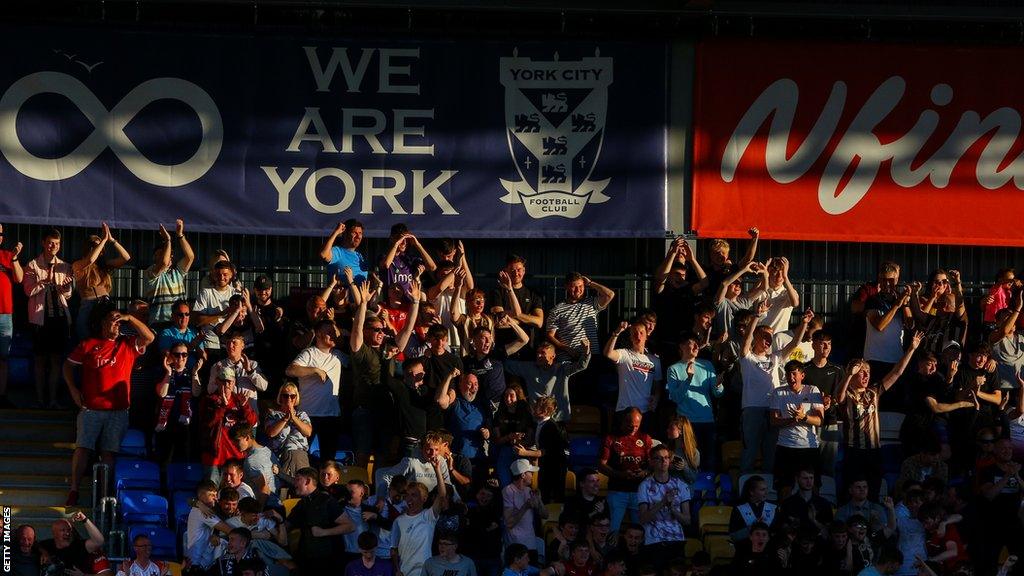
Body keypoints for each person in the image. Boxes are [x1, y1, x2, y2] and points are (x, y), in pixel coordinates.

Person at [62, 308, 155, 505]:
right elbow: (68, 365)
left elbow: (149, 337)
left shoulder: (127, 345)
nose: (117, 324)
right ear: (103, 324)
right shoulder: (89, 344)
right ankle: (74, 489)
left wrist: (130, 318)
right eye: (113, 321)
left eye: (119, 322)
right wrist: (72, 389)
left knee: (108, 453)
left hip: (118, 411)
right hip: (91, 409)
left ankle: (102, 495)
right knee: (82, 448)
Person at [835, 332, 923, 498]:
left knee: (873, 491)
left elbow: (896, 373)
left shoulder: (873, 392)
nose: (866, 375)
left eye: (868, 371)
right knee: (850, 491)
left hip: (873, 451)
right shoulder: (848, 395)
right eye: (861, 372)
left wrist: (911, 349)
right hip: (854, 451)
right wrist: (848, 374)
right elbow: (838, 397)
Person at [349, 280, 420, 466]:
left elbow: (406, 331)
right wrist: (363, 304)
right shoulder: (361, 349)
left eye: (382, 329)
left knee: (384, 456)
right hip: (364, 409)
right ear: (366, 331)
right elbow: (356, 330)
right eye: (377, 330)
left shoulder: (389, 347)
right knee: (362, 456)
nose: (382, 332)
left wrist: (415, 303)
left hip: (386, 410)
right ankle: (360, 493)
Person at [738, 308, 814, 474]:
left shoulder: (775, 357)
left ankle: (767, 490)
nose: (768, 340)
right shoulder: (747, 358)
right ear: (755, 337)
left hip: (774, 410)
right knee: (750, 450)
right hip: (753, 409)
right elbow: (745, 341)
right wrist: (756, 317)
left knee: (771, 452)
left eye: (770, 338)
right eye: (764, 336)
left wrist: (804, 323)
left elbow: (794, 343)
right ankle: (744, 488)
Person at [23, 228, 72, 409]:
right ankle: (39, 400)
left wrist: (64, 288)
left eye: (57, 244)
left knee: (57, 360)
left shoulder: (65, 266)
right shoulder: (33, 265)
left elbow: (68, 296)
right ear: (43, 243)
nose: (54, 246)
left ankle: (52, 400)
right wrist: (45, 281)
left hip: (59, 318)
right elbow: (28, 291)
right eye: (51, 243)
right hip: (40, 319)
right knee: (40, 360)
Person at [286, 320, 345, 464]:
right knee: (303, 458)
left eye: (334, 332)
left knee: (329, 459)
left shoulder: (339, 355)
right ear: (318, 334)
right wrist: (314, 370)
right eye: (329, 332)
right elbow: (290, 370)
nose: (333, 335)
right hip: (308, 414)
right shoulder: (309, 353)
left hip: (331, 416)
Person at [666, 333, 723, 469]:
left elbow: (718, 394)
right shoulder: (673, 369)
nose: (697, 346)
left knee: (708, 460)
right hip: (686, 423)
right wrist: (688, 379)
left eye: (698, 344)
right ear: (682, 346)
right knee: (688, 460)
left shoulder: (706, 365)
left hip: (707, 419)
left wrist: (718, 385)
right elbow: (675, 397)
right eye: (692, 343)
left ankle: (706, 489)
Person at [770, 360, 825, 496]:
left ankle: (813, 515)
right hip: (785, 446)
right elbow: (774, 421)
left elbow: (820, 421)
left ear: (802, 375)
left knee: (812, 487)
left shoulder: (813, 390)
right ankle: (784, 515)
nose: (791, 378)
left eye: (794, 374)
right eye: (788, 374)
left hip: (809, 447)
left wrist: (804, 417)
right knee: (784, 488)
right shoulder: (778, 392)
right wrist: (792, 419)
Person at [287, 467, 356, 573]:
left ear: (308, 481)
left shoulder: (326, 500)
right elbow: (288, 524)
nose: (294, 483)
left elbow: (350, 526)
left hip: (328, 560)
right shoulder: (301, 504)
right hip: (306, 559)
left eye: (298, 479)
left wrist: (324, 532)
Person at [599, 408, 655, 532]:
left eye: (637, 425)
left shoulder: (645, 438)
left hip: (639, 492)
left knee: (639, 530)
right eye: (630, 425)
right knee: (612, 529)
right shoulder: (611, 438)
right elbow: (601, 465)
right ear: (623, 421)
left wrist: (644, 472)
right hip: (617, 491)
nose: (634, 429)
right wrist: (620, 474)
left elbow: (653, 464)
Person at [72, 222, 131, 339]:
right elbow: (90, 260)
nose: (100, 250)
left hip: (105, 303)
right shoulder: (78, 264)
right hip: (88, 304)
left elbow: (126, 257)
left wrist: (111, 240)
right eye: (95, 246)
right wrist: (103, 240)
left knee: (107, 337)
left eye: (101, 248)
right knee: (86, 337)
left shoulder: (104, 265)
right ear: (88, 248)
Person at [637, 444, 691, 571]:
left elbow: (687, 520)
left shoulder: (681, 485)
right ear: (652, 462)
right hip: (654, 541)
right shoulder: (644, 486)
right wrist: (663, 502)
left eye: (666, 458)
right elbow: (643, 519)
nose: (664, 461)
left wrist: (672, 509)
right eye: (659, 458)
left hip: (676, 539)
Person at [199, 366, 258, 481]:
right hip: (214, 457)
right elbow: (207, 424)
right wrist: (222, 407)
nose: (226, 385)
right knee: (212, 493)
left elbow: (252, 422)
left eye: (229, 382)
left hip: (235, 457)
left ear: (234, 383)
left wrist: (245, 407)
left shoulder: (239, 400)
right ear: (217, 381)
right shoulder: (208, 400)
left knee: (234, 493)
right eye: (223, 381)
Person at [975, 438, 1023, 575]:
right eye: (1003, 448)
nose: (1007, 451)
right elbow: (989, 494)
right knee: (989, 562)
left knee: (1019, 561)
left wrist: (1017, 476)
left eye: (1010, 448)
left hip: (1014, 523)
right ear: (995, 450)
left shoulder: (1019, 468)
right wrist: (1007, 476)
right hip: (991, 524)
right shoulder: (987, 471)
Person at [392, 465, 450, 576]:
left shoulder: (428, 516)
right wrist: (397, 569)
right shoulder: (398, 521)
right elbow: (393, 549)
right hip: (405, 573)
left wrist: (437, 468)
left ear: (424, 498)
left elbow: (442, 495)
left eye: (414, 495)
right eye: (407, 495)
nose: (409, 498)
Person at [547, 272, 615, 362]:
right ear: (566, 287)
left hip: (592, 356)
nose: (578, 290)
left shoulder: (591, 303)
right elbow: (550, 335)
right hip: (569, 358)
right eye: (574, 286)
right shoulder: (557, 310)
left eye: (581, 286)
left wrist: (590, 283)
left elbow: (610, 295)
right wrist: (567, 349)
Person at [605, 321, 663, 424]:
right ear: (631, 337)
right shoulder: (624, 354)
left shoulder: (655, 360)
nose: (638, 336)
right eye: (634, 333)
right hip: (625, 411)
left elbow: (657, 385)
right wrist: (617, 333)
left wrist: (656, 398)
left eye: (641, 333)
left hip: (645, 412)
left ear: (646, 336)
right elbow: (608, 353)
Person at [154, 342, 202, 463]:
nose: (180, 358)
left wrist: (195, 373)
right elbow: (162, 393)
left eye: (184, 354)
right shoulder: (162, 371)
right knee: (165, 462)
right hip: (166, 424)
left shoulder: (192, 373)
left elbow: (196, 393)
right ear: (171, 355)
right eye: (177, 354)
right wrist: (168, 373)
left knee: (184, 461)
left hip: (186, 425)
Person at [490, 254, 546, 361]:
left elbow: (539, 322)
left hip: (528, 351)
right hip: (507, 350)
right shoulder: (497, 292)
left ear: (524, 271)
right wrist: (527, 318)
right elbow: (500, 322)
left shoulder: (533, 294)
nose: (516, 273)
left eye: (519, 269)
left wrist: (515, 316)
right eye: (512, 270)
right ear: (506, 271)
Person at [145, 219, 195, 326]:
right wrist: (168, 240)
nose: (167, 255)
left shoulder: (178, 272)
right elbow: (164, 263)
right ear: (154, 257)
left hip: (179, 322)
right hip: (159, 323)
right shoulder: (151, 271)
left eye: (168, 253)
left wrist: (180, 235)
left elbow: (190, 257)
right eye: (161, 253)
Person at [264, 382, 313, 488]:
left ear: (296, 398)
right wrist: (285, 418)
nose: (289, 399)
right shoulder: (273, 414)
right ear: (280, 397)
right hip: (280, 457)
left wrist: (294, 418)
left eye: (292, 396)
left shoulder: (302, 415)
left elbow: (308, 432)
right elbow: (271, 433)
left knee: (302, 487)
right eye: (285, 395)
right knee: (283, 490)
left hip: (299, 456)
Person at [193, 260, 242, 364]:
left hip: (230, 345)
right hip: (210, 345)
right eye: (219, 274)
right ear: (214, 275)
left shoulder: (236, 293)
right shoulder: (206, 293)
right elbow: (198, 320)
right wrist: (222, 313)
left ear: (231, 275)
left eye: (225, 274)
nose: (222, 277)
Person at [185, 481, 234, 572]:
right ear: (201, 495)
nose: (215, 498)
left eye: (216, 494)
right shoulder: (203, 512)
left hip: (200, 562)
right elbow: (230, 531)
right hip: (197, 565)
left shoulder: (204, 508)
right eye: (212, 495)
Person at [38, 512, 109, 576]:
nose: (67, 533)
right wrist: (43, 552)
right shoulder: (46, 545)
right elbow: (34, 544)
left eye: (69, 530)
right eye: (63, 530)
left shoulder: (79, 546)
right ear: (54, 533)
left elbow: (99, 541)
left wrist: (85, 520)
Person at [0, 222, 23, 408]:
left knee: (3, 358)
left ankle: (2, 395)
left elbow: (20, 278)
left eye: (0, 234)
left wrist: (15, 258)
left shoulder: (7, 256)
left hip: (5, 315)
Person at [230, 424, 279, 507]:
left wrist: (257, 513)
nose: (234, 445)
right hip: (276, 504)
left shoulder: (252, 460)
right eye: (233, 442)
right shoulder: (267, 451)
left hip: (265, 509)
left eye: (237, 441)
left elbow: (264, 489)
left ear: (247, 438)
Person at [780, 468, 834, 538]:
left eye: (811, 478)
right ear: (797, 479)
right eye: (805, 478)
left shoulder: (824, 503)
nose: (809, 481)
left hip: (817, 543)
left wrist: (814, 521)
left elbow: (829, 532)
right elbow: (782, 530)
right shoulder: (787, 503)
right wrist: (793, 525)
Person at [729, 475, 778, 543]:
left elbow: (776, 532)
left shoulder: (773, 507)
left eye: (766, 489)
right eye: (762, 490)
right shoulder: (739, 509)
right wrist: (752, 528)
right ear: (751, 492)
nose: (766, 492)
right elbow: (733, 536)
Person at [322, 219, 369, 284]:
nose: (358, 236)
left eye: (360, 233)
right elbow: (324, 255)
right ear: (345, 234)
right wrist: (336, 232)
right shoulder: (338, 252)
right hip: (343, 294)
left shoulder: (360, 255)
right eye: (354, 233)